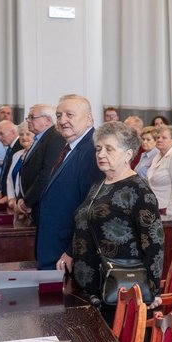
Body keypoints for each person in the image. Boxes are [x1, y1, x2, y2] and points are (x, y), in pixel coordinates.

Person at [71, 121, 164, 324]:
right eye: (98, 148)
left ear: (128, 155)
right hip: (92, 290)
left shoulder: (139, 190)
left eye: (109, 149)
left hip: (121, 292)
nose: (101, 154)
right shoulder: (98, 185)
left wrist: (153, 289)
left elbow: (154, 243)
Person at [39, 95, 104, 270]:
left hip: (68, 252)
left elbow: (90, 207)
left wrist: (72, 251)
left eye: (70, 115)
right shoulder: (70, 146)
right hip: (55, 246)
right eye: (59, 115)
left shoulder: (92, 150)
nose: (62, 120)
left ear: (89, 119)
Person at [16, 104, 67, 223]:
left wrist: (27, 202)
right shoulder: (40, 138)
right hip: (33, 204)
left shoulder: (55, 137)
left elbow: (46, 174)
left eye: (32, 117)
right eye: (27, 117)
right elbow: (27, 172)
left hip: (42, 205)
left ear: (47, 120)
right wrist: (22, 198)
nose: (28, 120)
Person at [147, 125, 172, 216]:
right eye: (158, 137)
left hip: (168, 209)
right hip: (155, 206)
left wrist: (171, 212)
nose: (159, 140)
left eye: (164, 137)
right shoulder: (157, 155)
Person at [4, 125, 33, 212]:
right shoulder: (17, 155)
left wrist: (23, 204)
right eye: (21, 134)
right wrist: (11, 199)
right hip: (15, 204)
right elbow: (9, 179)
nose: (24, 137)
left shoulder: (37, 155)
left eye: (28, 134)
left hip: (28, 205)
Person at [0, 120, 22, 201]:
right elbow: (7, 172)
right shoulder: (11, 147)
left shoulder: (20, 146)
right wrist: (2, 191)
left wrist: (9, 196)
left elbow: (18, 177)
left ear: (13, 132)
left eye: (1, 134)